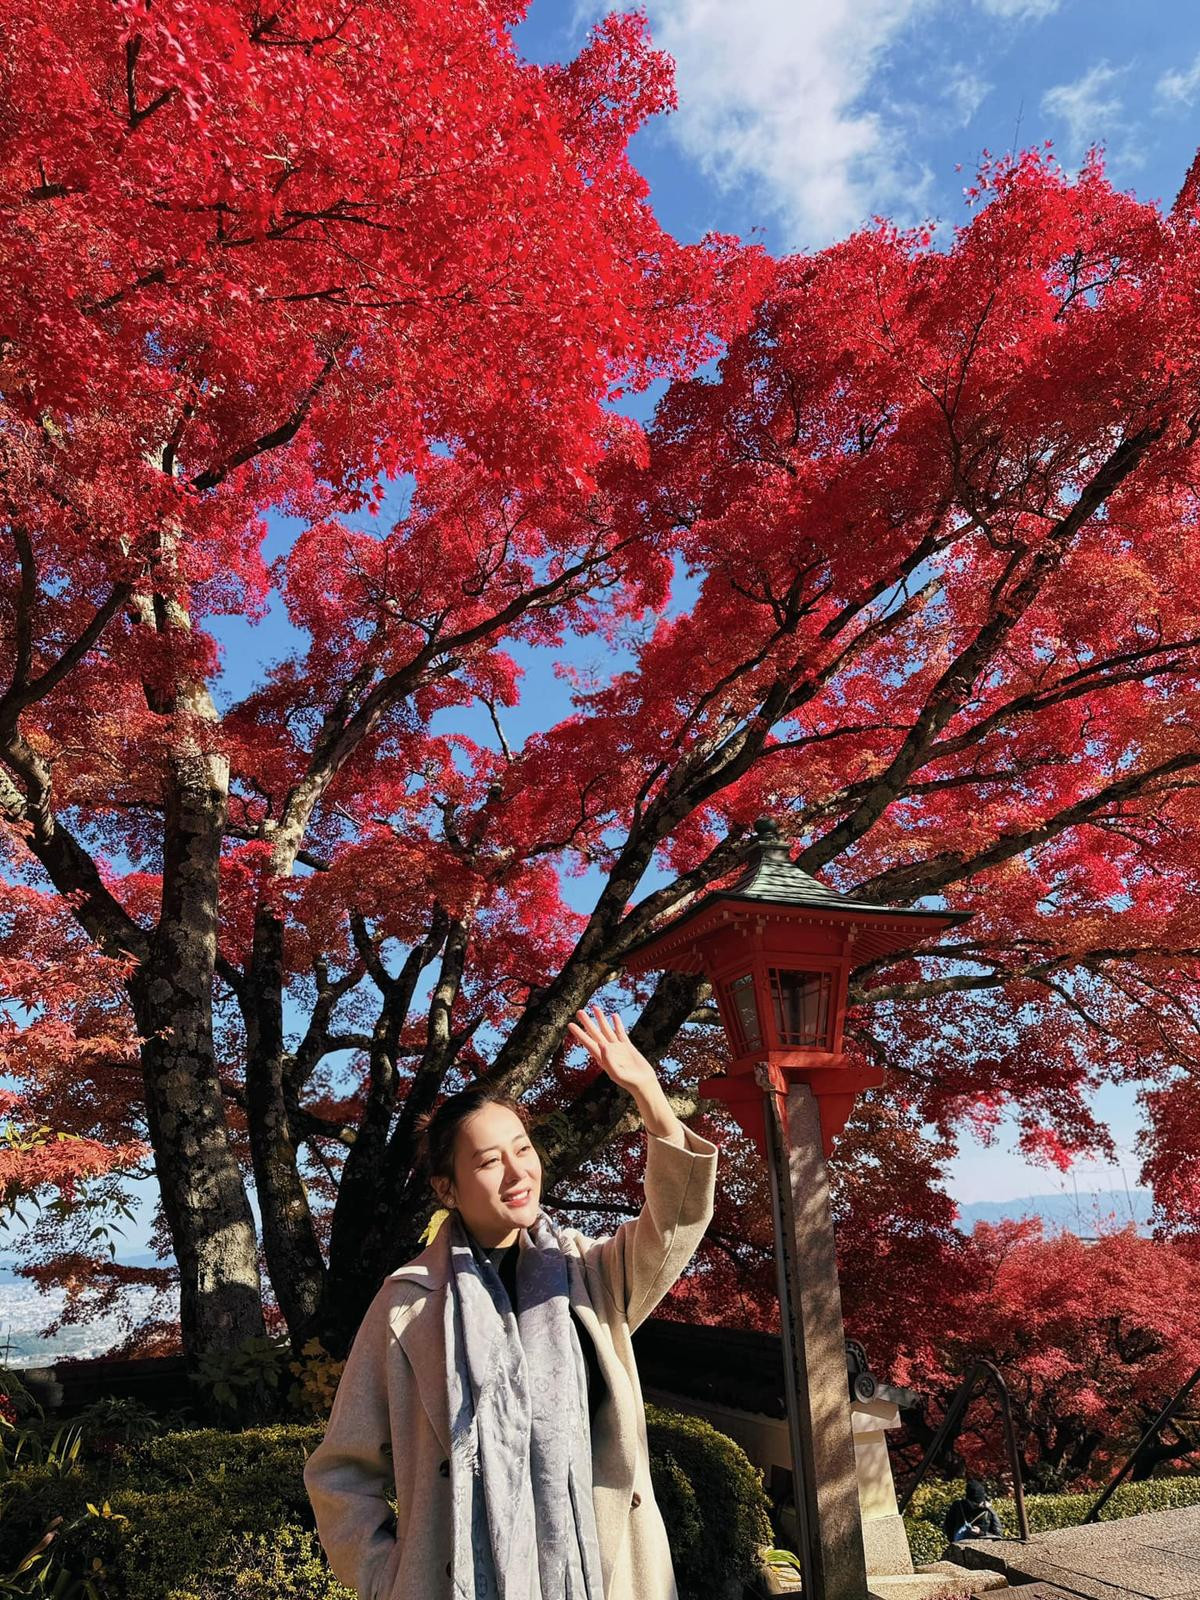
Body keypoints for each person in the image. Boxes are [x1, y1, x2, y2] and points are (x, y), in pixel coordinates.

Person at [303, 1004, 719, 1600]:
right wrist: (386, 1578)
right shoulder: (409, 1305)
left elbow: (676, 1221)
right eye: (489, 1161)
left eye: (522, 1149)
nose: (516, 1172)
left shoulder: (590, 1270)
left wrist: (647, 1093)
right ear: (447, 1188)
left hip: (601, 1577)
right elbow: (341, 1470)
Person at [942, 1479, 1004, 1543]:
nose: (975, 1505)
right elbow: (998, 1535)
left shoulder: (958, 1505)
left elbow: (998, 1536)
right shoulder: (958, 1506)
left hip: (960, 1545)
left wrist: (980, 1533)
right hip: (977, 1546)